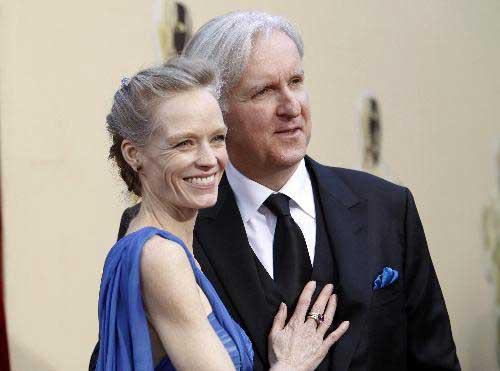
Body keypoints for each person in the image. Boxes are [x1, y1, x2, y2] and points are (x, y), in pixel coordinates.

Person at [91, 10, 461, 371]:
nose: (291, 106)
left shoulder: (387, 207)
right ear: (216, 110)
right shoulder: (169, 229)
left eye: (296, 82)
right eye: (264, 90)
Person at [95, 58, 349, 370]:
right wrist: (293, 363)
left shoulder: (155, 244)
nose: (208, 159)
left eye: (217, 138)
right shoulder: (161, 257)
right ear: (133, 154)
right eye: (184, 143)